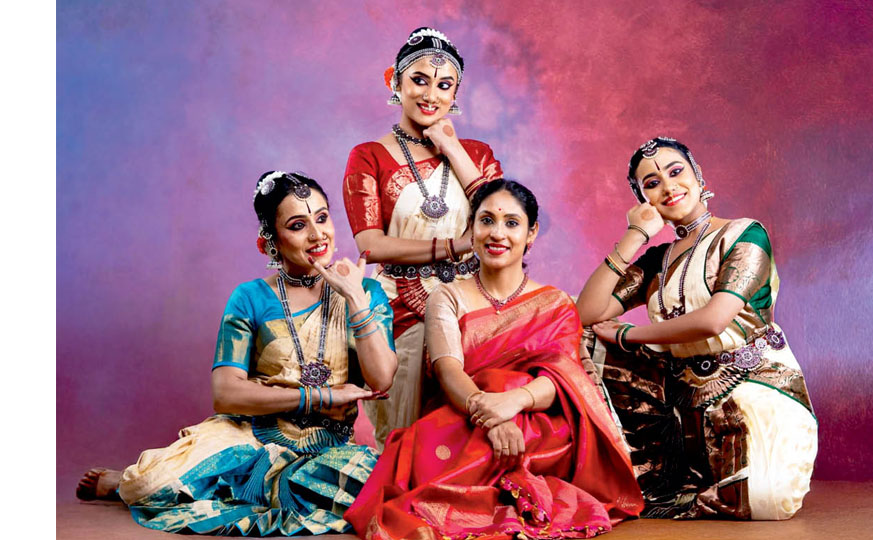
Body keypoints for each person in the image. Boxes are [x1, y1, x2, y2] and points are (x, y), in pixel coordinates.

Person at [75, 172, 398, 535]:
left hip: (329, 445)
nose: (317, 234)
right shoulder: (249, 298)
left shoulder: (365, 291)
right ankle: (125, 483)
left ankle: (246, 489)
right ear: (270, 243)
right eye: (297, 225)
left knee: (378, 487)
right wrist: (321, 396)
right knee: (149, 486)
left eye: (322, 218)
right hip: (250, 437)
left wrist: (354, 298)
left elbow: (382, 377)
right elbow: (226, 394)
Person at [344, 180, 645, 539]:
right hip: (463, 417)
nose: (497, 233)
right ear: (471, 231)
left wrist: (511, 404)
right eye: (486, 221)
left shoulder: (555, 304)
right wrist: (489, 417)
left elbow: (562, 382)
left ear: (531, 233)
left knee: (544, 429)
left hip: (536, 428)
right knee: (418, 452)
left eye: (511, 223)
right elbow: (447, 368)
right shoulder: (449, 296)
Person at [576, 137, 817, 520]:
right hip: (682, 397)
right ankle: (674, 472)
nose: (668, 186)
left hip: (753, 386)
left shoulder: (744, 235)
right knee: (582, 341)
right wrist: (635, 236)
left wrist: (627, 334)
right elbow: (586, 312)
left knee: (766, 500)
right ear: (643, 200)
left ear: (698, 176)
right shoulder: (658, 259)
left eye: (676, 172)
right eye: (651, 183)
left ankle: (703, 480)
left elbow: (713, 320)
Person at [342, 27, 504, 448]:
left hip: (476, 297)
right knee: (411, 407)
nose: (431, 94)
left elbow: (501, 215)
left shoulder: (477, 153)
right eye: (419, 80)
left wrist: (451, 148)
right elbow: (371, 245)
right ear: (392, 82)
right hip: (401, 302)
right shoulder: (369, 156)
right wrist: (455, 245)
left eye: (444, 85)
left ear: (456, 94)